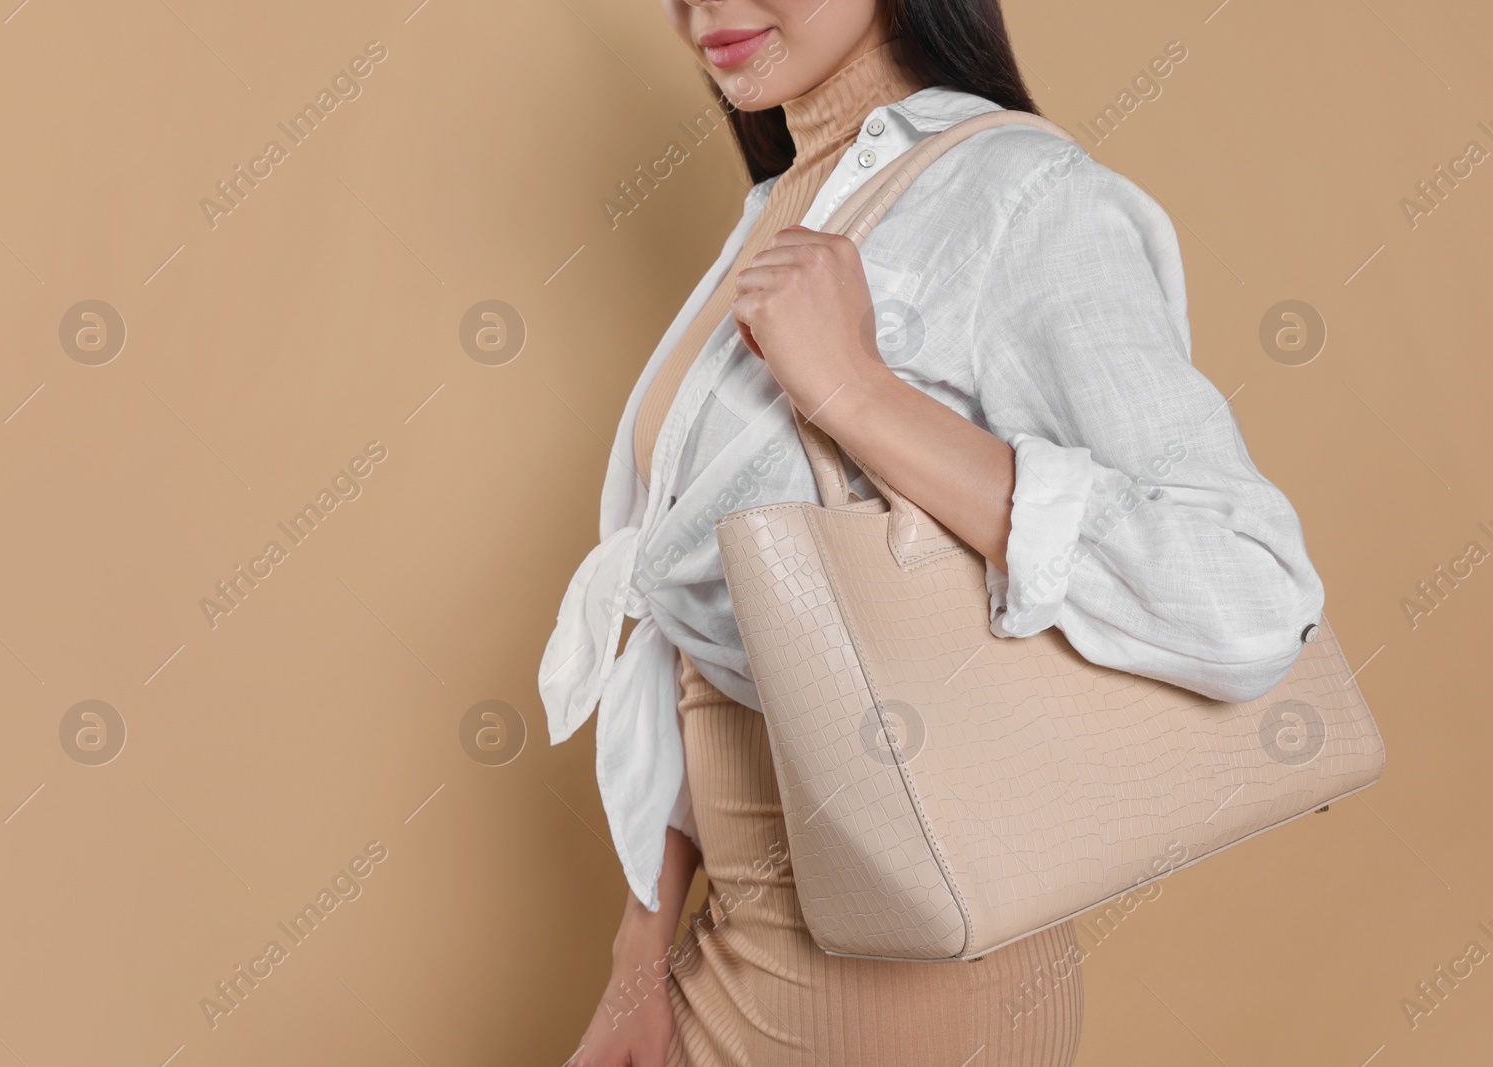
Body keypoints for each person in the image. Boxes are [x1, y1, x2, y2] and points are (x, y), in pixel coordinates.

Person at [542, 1, 1325, 1064]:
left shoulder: (1018, 196)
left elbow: (1246, 595)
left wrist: (858, 394)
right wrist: (637, 967)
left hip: (903, 999)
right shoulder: (788, 203)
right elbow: (688, 632)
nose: (703, 8)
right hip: (735, 948)